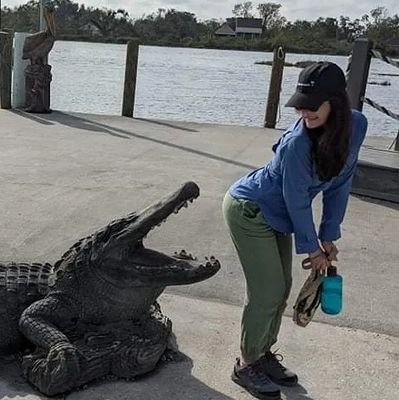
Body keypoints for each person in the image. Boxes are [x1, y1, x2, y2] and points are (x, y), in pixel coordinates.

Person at [222, 61, 368, 399]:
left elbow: (340, 182)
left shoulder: (356, 126)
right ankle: (246, 364)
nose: (304, 110)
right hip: (250, 210)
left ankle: (262, 354)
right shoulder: (296, 146)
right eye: (300, 103)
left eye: (313, 103)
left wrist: (330, 234)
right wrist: (313, 250)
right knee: (268, 290)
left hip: (279, 215)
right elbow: (297, 200)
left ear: (337, 102)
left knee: (283, 287)